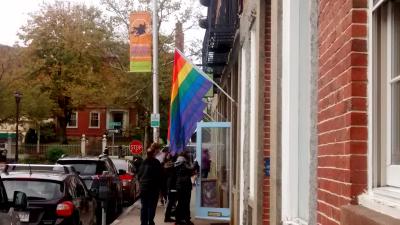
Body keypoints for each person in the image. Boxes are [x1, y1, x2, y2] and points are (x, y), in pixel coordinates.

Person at [137, 143, 162, 225]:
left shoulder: (143, 163)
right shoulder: (156, 163)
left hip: (144, 188)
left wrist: (141, 184)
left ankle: (143, 222)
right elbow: (160, 175)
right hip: (153, 188)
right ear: (153, 153)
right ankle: (150, 221)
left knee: (144, 205)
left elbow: (139, 175)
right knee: (152, 205)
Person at [175, 151, 195, 225]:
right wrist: (195, 164)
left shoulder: (176, 163)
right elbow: (190, 170)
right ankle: (187, 220)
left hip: (179, 185)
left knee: (180, 203)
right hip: (185, 185)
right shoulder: (184, 163)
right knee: (186, 203)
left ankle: (178, 220)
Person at [164, 152, 177, 222]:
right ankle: (167, 217)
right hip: (172, 185)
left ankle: (168, 216)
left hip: (168, 185)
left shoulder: (166, 165)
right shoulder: (172, 166)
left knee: (170, 202)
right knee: (171, 202)